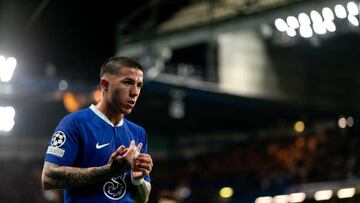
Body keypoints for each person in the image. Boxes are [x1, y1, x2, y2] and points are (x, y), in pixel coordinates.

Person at [41, 56, 153, 203]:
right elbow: (48, 177)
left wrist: (137, 180)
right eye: (128, 82)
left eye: (139, 85)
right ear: (105, 85)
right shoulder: (74, 123)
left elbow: (142, 199)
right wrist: (109, 171)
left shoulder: (138, 133)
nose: (135, 92)